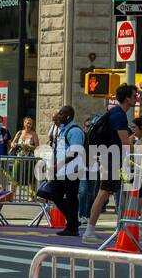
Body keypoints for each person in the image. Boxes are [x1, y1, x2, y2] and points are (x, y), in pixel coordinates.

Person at [83, 83, 137, 243]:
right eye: (134, 96)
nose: (136, 98)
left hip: (109, 158)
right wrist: (140, 153)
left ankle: (112, 228)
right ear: (127, 98)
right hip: (111, 159)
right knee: (104, 193)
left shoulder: (115, 113)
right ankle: (89, 231)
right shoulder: (119, 115)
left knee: (108, 193)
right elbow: (125, 143)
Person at [51, 105, 85, 237]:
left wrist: (59, 164)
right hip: (62, 170)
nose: (58, 116)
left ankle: (72, 227)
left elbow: (75, 151)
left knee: (71, 198)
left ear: (68, 116)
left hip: (72, 170)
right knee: (54, 193)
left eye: (61, 114)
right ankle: (73, 221)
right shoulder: (62, 130)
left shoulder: (74, 131)